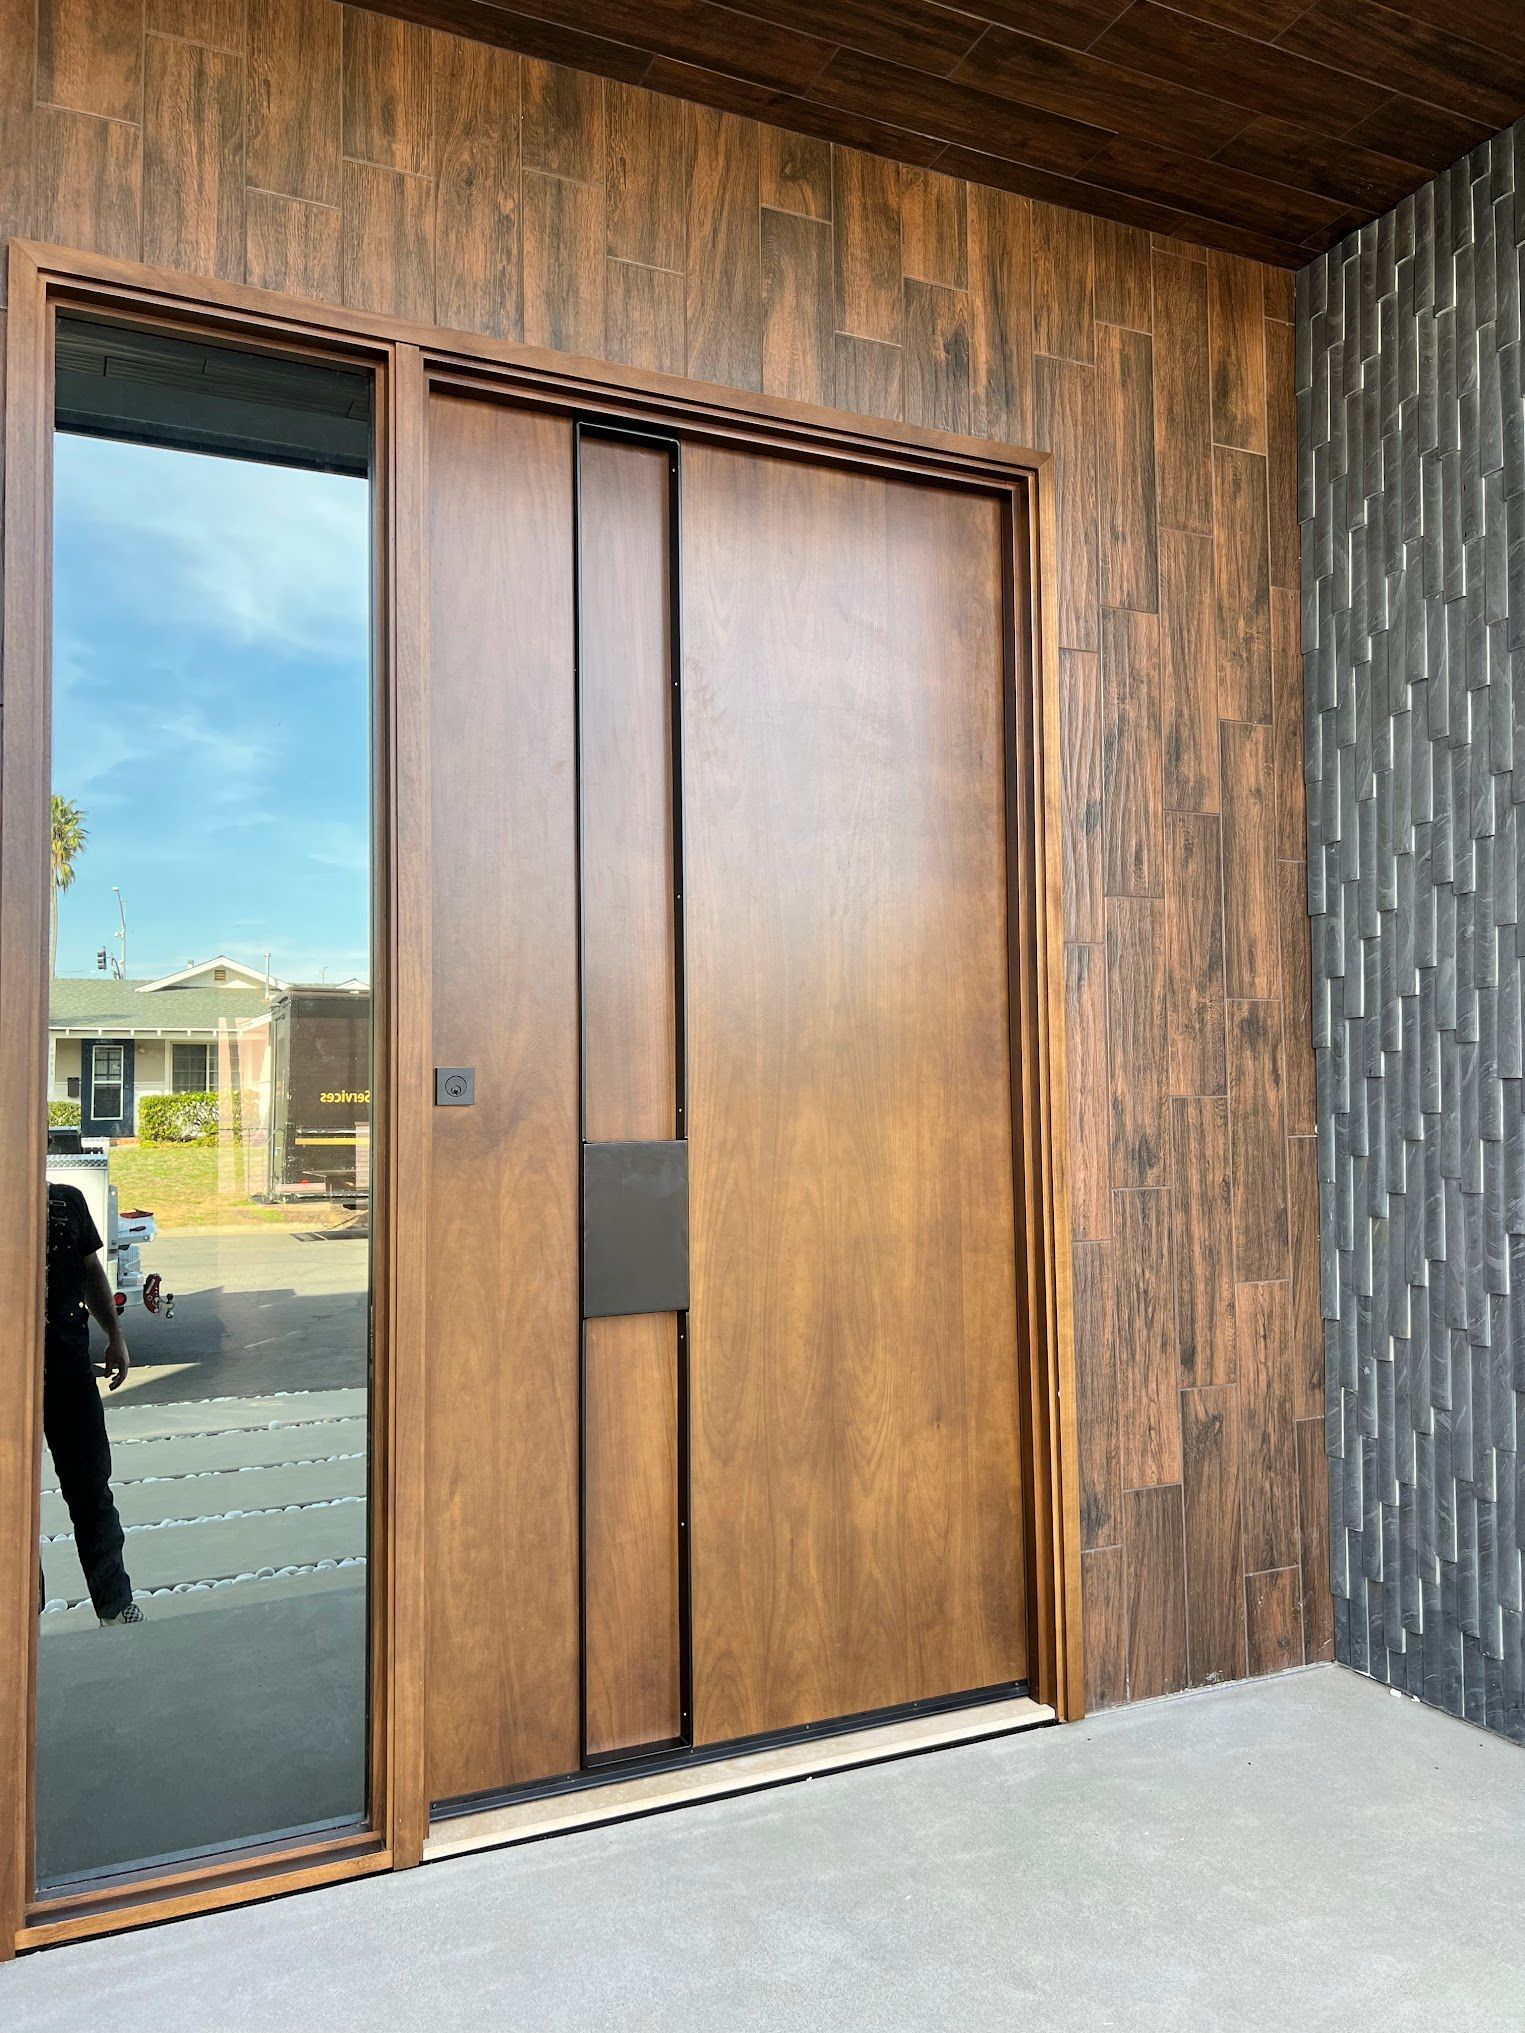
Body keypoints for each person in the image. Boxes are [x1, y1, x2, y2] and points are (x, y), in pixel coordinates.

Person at [42, 1181, 142, 1626]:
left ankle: (116, 1606)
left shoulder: (68, 1200)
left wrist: (115, 1335)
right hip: (12, 1377)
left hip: (67, 1369)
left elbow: (91, 1271)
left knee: (91, 1489)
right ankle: (23, 1612)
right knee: (12, 1501)